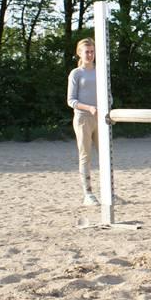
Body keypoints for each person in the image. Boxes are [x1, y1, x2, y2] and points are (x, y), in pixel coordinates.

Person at [67, 38, 100, 206]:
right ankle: (88, 193)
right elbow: (71, 100)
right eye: (86, 51)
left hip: (100, 118)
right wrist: (89, 108)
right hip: (83, 119)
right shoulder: (76, 73)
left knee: (106, 155)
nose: (90, 54)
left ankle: (109, 191)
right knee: (85, 156)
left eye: (92, 51)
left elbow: (108, 94)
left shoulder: (100, 71)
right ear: (79, 53)